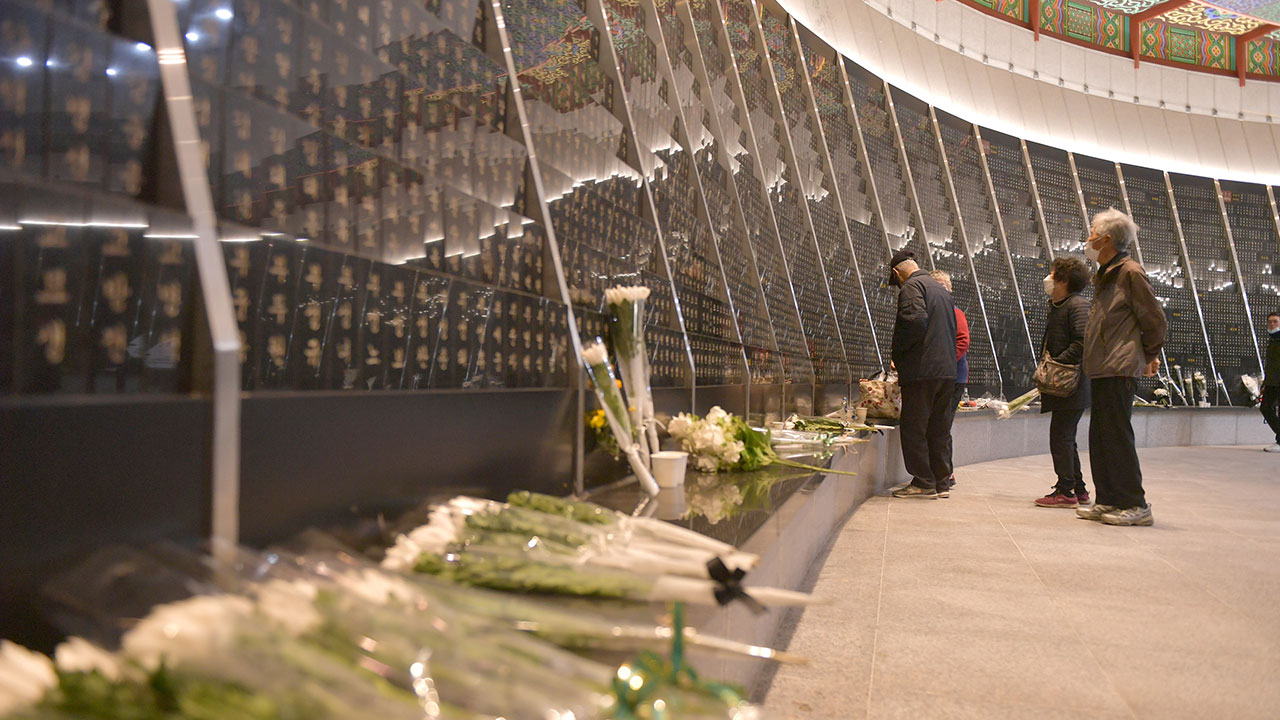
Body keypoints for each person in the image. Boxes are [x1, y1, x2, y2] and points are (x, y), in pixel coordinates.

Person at [1077, 209, 1167, 527]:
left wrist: (1148, 354)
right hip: (1103, 366)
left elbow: (1154, 319)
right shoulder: (1106, 273)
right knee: (1100, 436)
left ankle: (1134, 503)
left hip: (1119, 365)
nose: (1088, 239)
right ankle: (1108, 498)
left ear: (1106, 239)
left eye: (1092, 233)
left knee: (1116, 435)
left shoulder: (1130, 272)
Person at [886, 250, 958, 499]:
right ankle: (941, 482)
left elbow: (914, 321)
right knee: (939, 428)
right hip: (946, 371)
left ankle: (923, 482)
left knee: (914, 427)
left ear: (897, 273)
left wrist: (900, 355)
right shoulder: (940, 290)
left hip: (922, 370)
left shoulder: (911, 287)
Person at [1033, 257, 1093, 508]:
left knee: (1061, 438)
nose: (1048, 278)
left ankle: (1066, 491)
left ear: (1064, 280)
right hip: (1067, 386)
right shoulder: (1063, 305)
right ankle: (1078, 489)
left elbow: (1083, 342)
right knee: (1066, 437)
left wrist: (1058, 363)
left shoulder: (1077, 306)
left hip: (1071, 385)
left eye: (1052, 274)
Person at [930, 270, 968, 494]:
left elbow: (962, 341)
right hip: (938, 375)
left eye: (942, 286)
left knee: (941, 426)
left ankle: (945, 473)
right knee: (938, 426)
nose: (939, 290)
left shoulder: (955, 313)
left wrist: (943, 363)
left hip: (953, 377)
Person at [1261, 311, 1280, 453]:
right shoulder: (1273, 340)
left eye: (1275, 321)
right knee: (1265, 407)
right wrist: (1265, 383)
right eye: (1270, 322)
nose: (1272, 324)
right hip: (1272, 382)